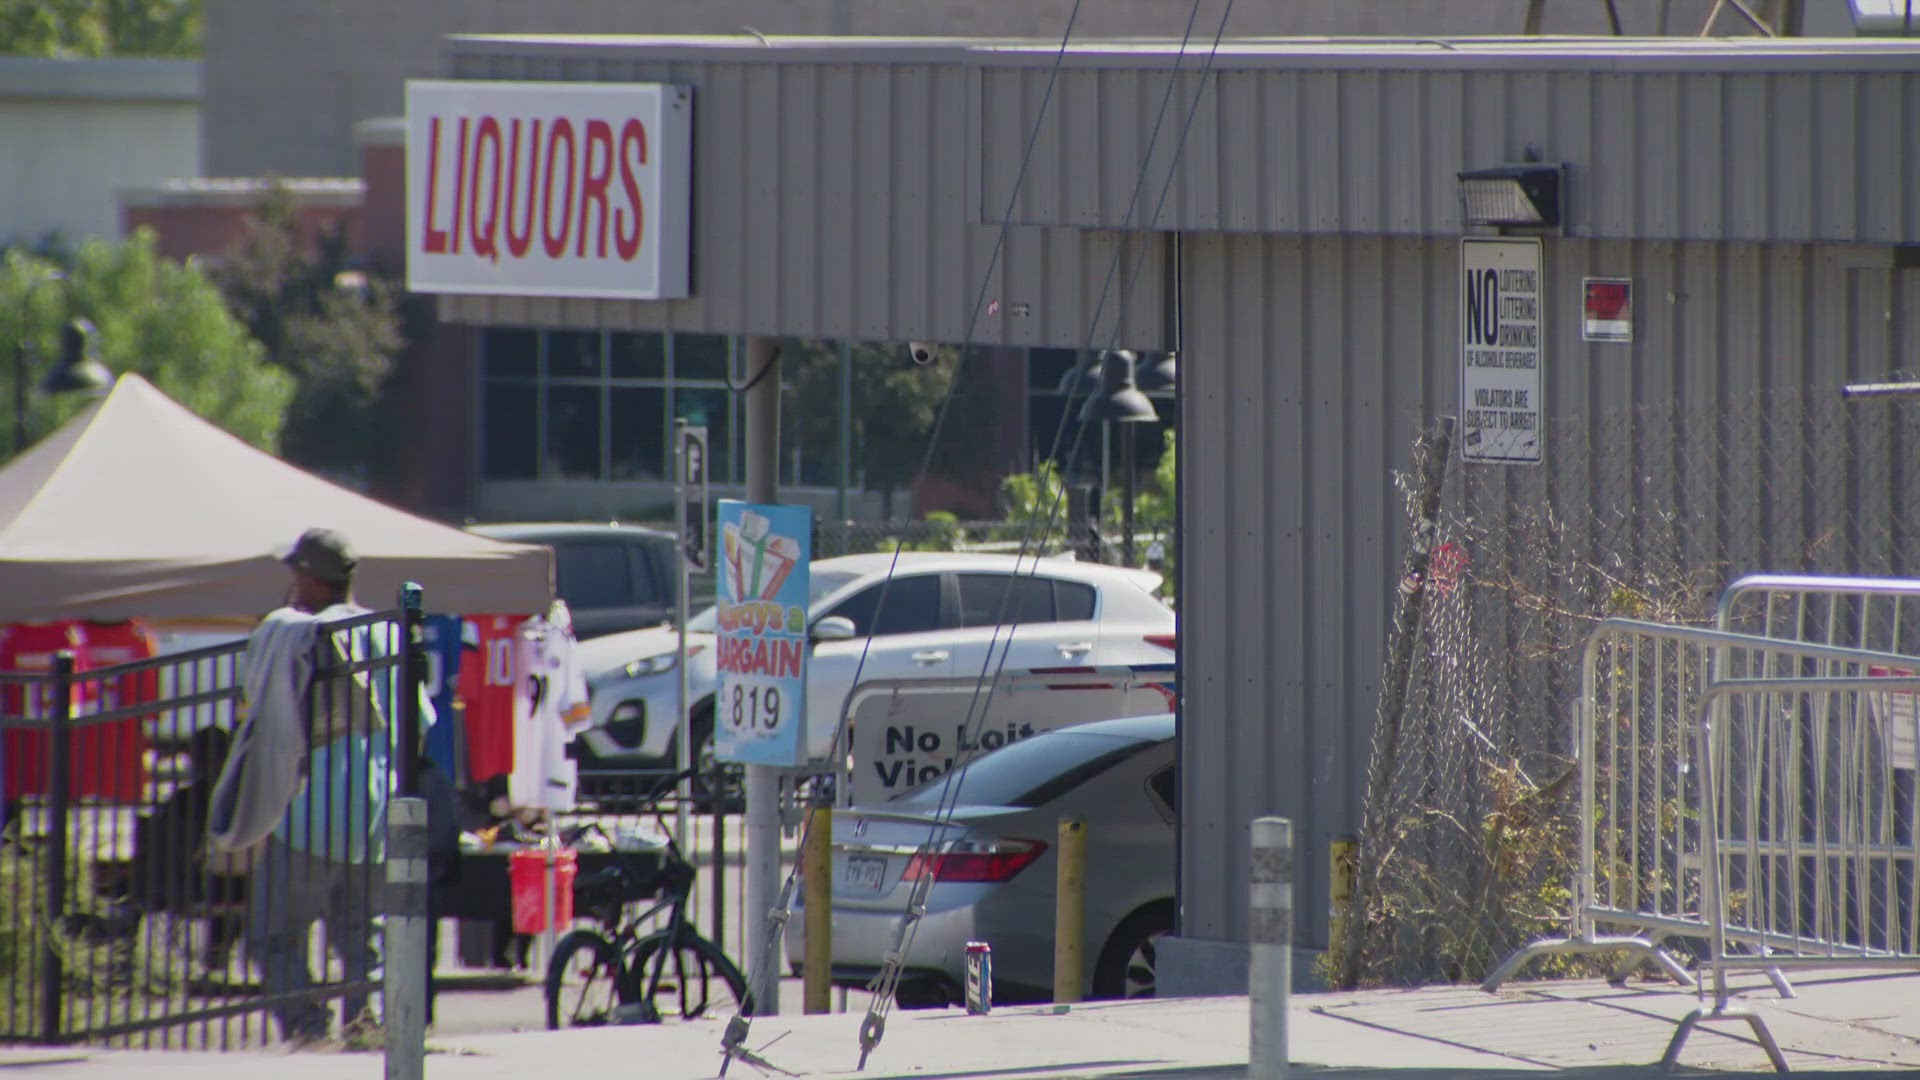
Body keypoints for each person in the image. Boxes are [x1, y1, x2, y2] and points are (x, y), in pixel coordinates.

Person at [230, 527, 435, 1045]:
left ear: (311, 578)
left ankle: (306, 1025)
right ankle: (362, 1024)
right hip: (370, 816)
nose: (292, 585)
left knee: (273, 936)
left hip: (304, 813)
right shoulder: (386, 633)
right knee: (359, 939)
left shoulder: (300, 635)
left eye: (297, 574)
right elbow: (422, 722)